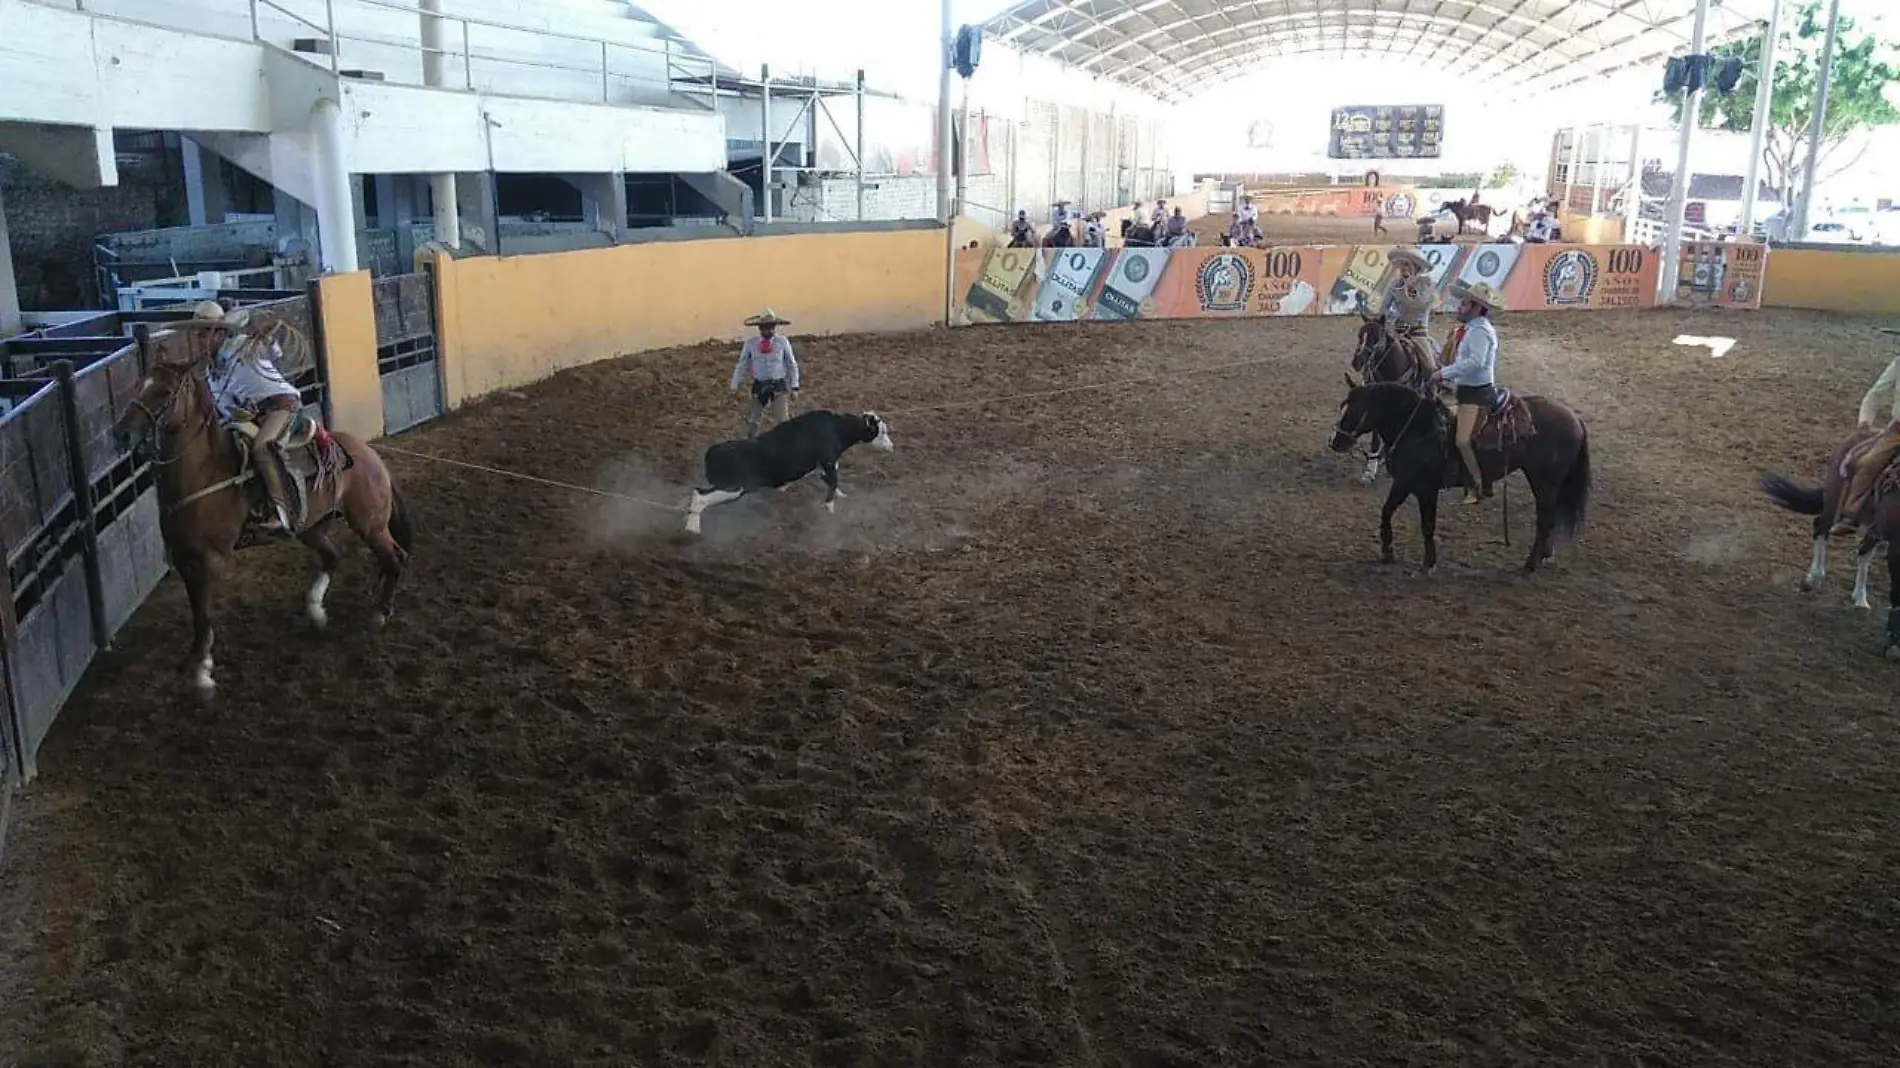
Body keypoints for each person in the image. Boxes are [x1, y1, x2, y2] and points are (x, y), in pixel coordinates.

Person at [199, 300, 302, 533]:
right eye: (198, 335)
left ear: (220, 334)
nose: (200, 341)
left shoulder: (241, 345)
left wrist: (266, 336)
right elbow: (225, 408)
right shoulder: (211, 371)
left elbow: (273, 351)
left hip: (281, 407)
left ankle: (282, 511)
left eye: (205, 334)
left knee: (263, 447)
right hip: (251, 416)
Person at [1429, 281, 1506, 506]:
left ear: (1476, 307)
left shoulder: (1480, 330)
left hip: (1477, 394)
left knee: (1463, 440)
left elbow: (1476, 362)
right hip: (1468, 389)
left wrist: (1444, 373)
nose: (1460, 307)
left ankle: (1478, 485)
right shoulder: (1473, 328)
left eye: (1465, 304)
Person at [1833, 337, 1900, 534]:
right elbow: (1875, 395)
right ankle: (1852, 513)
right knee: (1868, 462)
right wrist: (1865, 422)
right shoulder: (1898, 364)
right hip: (1898, 431)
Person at [730, 309, 801, 438]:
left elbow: (791, 363)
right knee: (753, 421)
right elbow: (742, 363)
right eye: (766, 327)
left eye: (771, 327)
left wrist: (795, 386)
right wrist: (734, 384)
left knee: (783, 420)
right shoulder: (751, 343)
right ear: (760, 328)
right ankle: (751, 446)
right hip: (760, 384)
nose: (769, 330)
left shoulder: (782, 342)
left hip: (778, 385)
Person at [1375, 248, 1438, 378]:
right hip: (1396, 328)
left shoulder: (1427, 285)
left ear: (1417, 267)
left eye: (1407, 264)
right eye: (1402, 265)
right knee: (1374, 355)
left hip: (1418, 331)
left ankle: (1431, 391)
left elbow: (1419, 305)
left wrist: (1409, 288)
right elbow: (1384, 307)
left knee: (1430, 367)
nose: (1403, 268)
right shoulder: (1395, 283)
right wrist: (1390, 318)